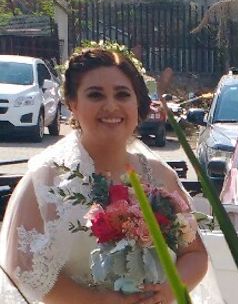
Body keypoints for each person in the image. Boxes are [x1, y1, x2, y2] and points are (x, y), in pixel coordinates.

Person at [0, 47, 218, 304]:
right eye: (95, 95)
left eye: (122, 94)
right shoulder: (46, 180)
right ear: (73, 104)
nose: (111, 106)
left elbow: (194, 254)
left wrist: (170, 289)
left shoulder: (159, 176)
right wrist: (99, 301)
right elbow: (24, 269)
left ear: (137, 102)